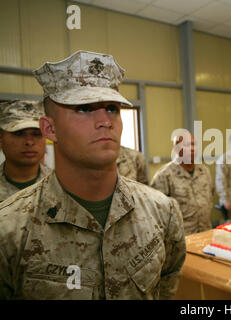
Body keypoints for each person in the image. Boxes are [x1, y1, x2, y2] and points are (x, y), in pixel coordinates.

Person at [0, 50, 185, 299]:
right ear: (50, 128)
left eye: (111, 108)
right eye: (84, 108)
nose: (104, 121)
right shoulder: (10, 230)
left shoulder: (162, 212)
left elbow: (167, 282)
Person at [151, 132, 214, 235]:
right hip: (181, 239)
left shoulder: (204, 171)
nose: (192, 148)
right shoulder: (164, 175)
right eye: (187, 145)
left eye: (194, 144)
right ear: (176, 149)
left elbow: (210, 195)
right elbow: (156, 213)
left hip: (205, 233)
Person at [0, 100, 52, 202]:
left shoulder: (62, 185)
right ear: (1, 138)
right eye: (19, 134)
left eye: (36, 134)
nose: (29, 142)